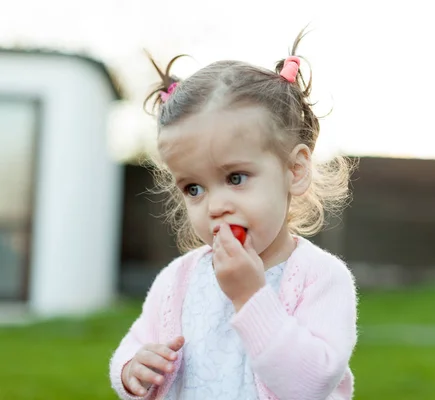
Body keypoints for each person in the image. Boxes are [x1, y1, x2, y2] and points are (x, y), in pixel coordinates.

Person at [109, 29, 358, 400]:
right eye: (194, 188)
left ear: (295, 170)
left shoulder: (320, 278)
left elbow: (310, 384)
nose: (215, 205)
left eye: (235, 177)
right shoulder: (179, 280)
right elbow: (136, 343)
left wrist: (251, 297)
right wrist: (133, 369)